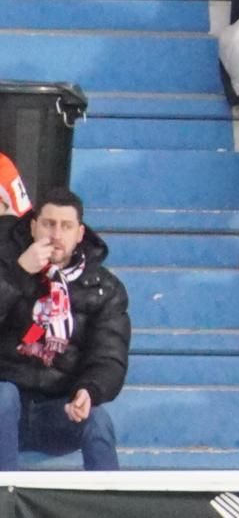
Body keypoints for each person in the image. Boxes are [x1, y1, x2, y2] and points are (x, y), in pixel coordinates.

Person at [0, 190, 127, 471]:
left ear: (80, 233)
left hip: (58, 409)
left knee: (99, 420)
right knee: (3, 397)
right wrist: (18, 274)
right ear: (33, 226)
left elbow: (109, 355)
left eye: (66, 226)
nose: (56, 234)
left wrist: (89, 390)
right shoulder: (7, 266)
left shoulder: (104, 288)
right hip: (5, 406)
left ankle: (111, 507)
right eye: (48, 223)